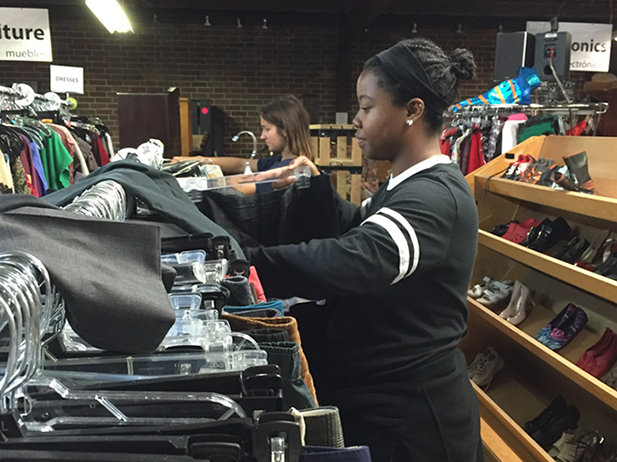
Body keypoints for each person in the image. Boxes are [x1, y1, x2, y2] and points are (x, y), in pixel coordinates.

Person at [244, 37, 483, 462]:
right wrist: (315, 183)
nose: (356, 119)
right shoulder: (403, 187)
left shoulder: (436, 198)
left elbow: (355, 259)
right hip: (380, 402)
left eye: (367, 107)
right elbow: (357, 225)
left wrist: (246, 264)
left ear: (412, 110)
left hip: (414, 424)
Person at [171, 94, 314, 195]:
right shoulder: (280, 160)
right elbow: (241, 164)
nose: (262, 136)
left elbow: (240, 188)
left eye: (267, 129)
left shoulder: (286, 170)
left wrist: (197, 184)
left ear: (286, 131)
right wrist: (199, 160)